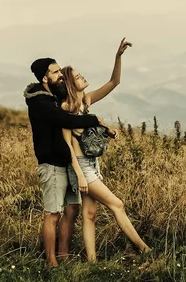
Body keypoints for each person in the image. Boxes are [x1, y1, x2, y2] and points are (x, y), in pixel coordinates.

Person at [60, 38, 151, 262]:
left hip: (92, 164)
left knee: (90, 215)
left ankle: (91, 262)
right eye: (78, 77)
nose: (83, 77)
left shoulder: (86, 102)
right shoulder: (65, 109)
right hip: (81, 168)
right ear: (71, 85)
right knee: (116, 204)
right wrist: (79, 174)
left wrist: (118, 56)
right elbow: (67, 145)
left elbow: (114, 82)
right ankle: (145, 250)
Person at [23, 57, 110, 267]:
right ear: (45, 77)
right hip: (52, 164)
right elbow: (65, 120)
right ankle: (51, 263)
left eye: (59, 71)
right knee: (53, 213)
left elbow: (75, 104)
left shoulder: (56, 95)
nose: (60, 74)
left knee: (72, 210)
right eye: (55, 72)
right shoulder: (40, 102)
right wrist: (93, 120)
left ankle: (63, 256)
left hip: (68, 164)